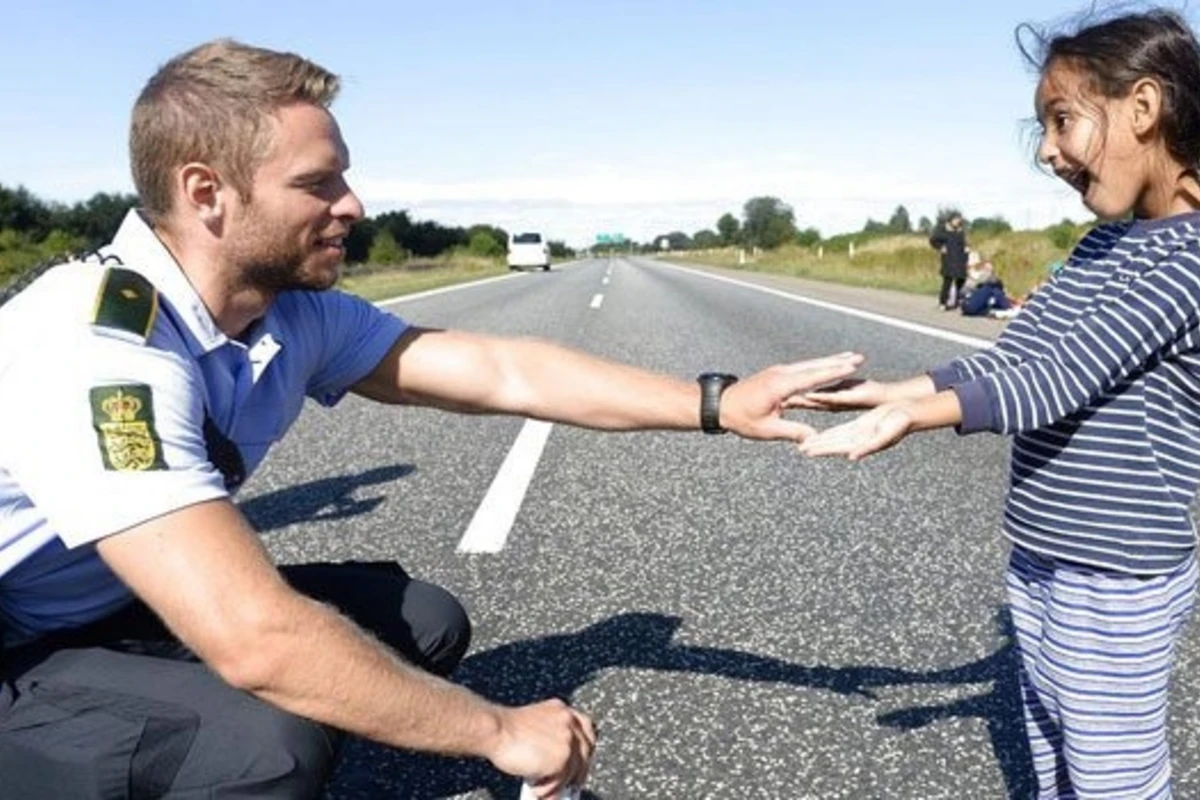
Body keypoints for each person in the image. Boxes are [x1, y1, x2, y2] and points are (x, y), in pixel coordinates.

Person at [0, 40, 861, 799]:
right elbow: (252, 636)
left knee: (425, 623)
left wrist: (717, 403)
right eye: (318, 182)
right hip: (18, 645)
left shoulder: (283, 311)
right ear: (206, 193)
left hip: (110, 606)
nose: (354, 205)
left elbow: (501, 370)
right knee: (261, 746)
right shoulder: (93, 344)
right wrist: (498, 731)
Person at [798, 9, 1200, 798]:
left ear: (1143, 109)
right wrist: (895, 389)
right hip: (1044, 550)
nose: (1048, 152)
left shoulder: (1188, 262)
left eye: (1062, 122)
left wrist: (915, 417)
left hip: (1114, 569)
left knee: (1112, 775)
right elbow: (1017, 355)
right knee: (1050, 752)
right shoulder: (1102, 246)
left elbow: (1061, 380)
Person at [929, 212, 968, 310]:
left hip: (960, 258)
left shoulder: (960, 231)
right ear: (951, 220)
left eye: (959, 219)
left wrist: (966, 248)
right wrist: (940, 247)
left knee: (961, 280)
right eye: (956, 219)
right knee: (948, 281)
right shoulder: (944, 230)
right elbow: (933, 240)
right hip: (949, 258)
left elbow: (963, 243)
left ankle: (957, 302)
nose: (957, 221)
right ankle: (943, 302)